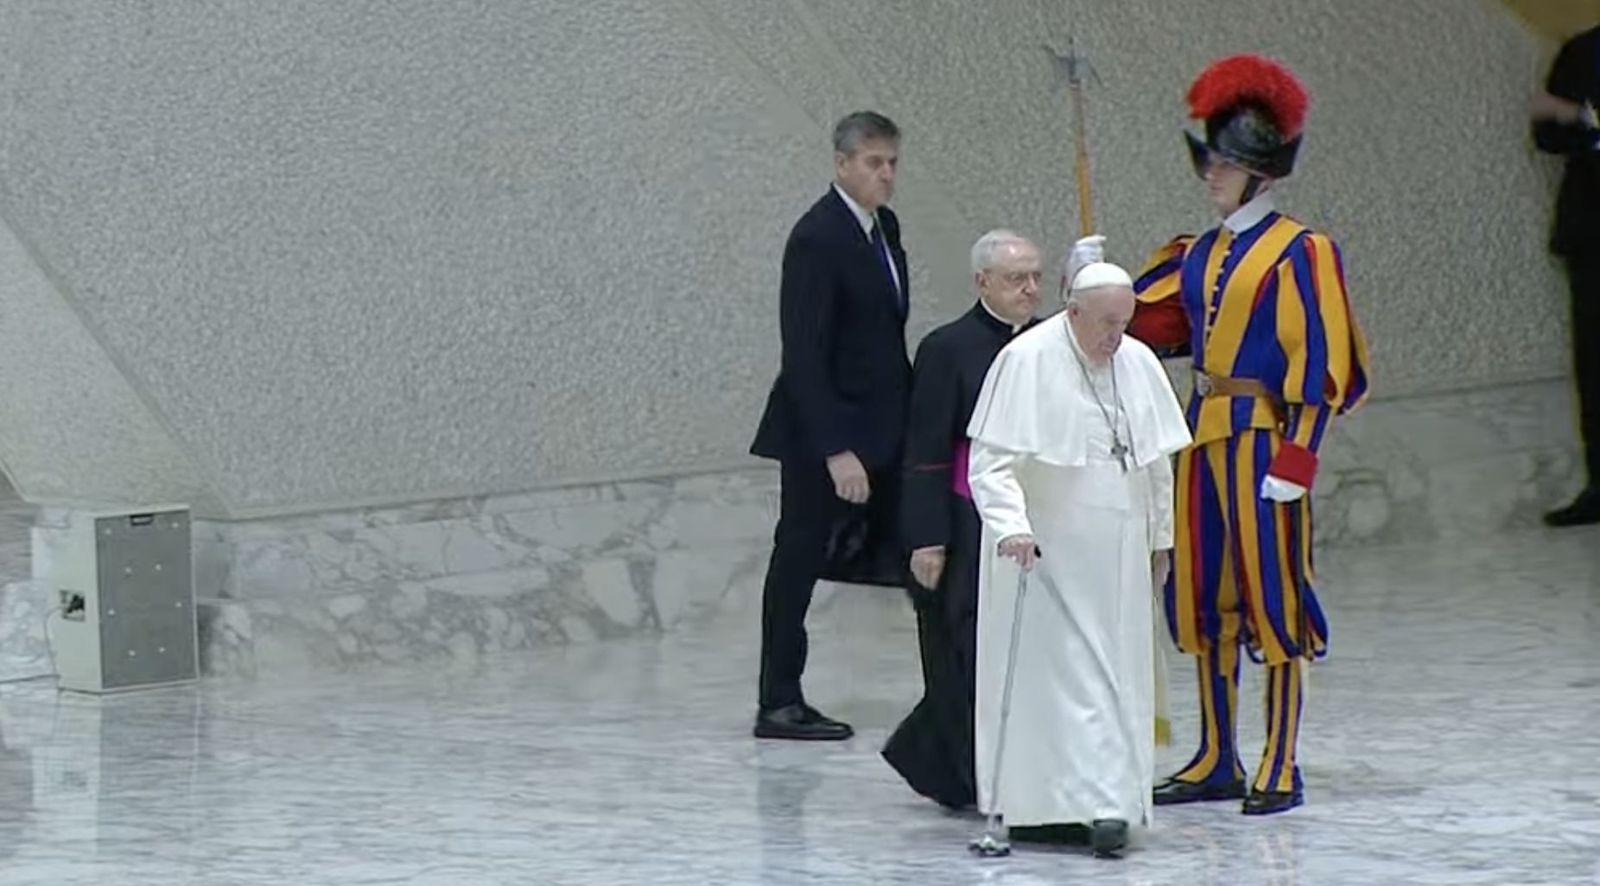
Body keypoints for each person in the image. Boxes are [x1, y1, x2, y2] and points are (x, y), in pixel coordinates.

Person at [1125, 54, 1370, 815]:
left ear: (1261, 172)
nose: (1211, 176)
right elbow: (1153, 322)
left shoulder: (1303, 250)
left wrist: (1299, 455)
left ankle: (1280, 758)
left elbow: (1324, 361)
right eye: (1211, 162)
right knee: (1204, 595)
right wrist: (1097, 286)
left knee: (1276, 596)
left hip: (1265, 441)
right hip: (1202, 439)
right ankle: (1214, 756)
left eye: (1225, 165)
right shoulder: (1198, 253)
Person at [966, 253, 1192, 857]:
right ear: (1072, 312)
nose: (1115, 338)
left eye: (1124, 323)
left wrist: (1160, 541)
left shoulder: (1137, 361)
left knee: (1114, 677)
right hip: (1046, 554)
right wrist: (1010, 526)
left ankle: (1109, 804)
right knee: (1064, 680)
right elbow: (990, 462)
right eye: (1104, 325)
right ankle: (1045, 805)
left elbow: (1155, 466)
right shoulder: (1026, 360)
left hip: (1117, 558)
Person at [748, 111, 911, 740]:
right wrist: (836, 449)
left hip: (883, 424)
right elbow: (806, 352)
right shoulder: (817, 237)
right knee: (797, 558)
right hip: (825, 432)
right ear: (842, 164)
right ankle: (778, 699)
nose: (886, 174)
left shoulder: (883, 228)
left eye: (892, 162)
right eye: (873, 162)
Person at [881, 230, 1042, 808]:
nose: (1030, 289)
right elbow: (925, 447)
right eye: (1015, 279)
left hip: (1036, 516)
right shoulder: (947, 348)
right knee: (966, 651)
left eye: (1035, 278)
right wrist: (926, 538)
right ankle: (967, 774)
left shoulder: (1050, 343)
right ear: (982, 282)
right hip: (965, 518)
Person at [1533, 23, 1600, 527]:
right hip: (1593, 229)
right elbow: (1546, 133)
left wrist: (1585, 117)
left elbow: (1568, 119)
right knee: (1595, 361)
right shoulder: (1582, 50)